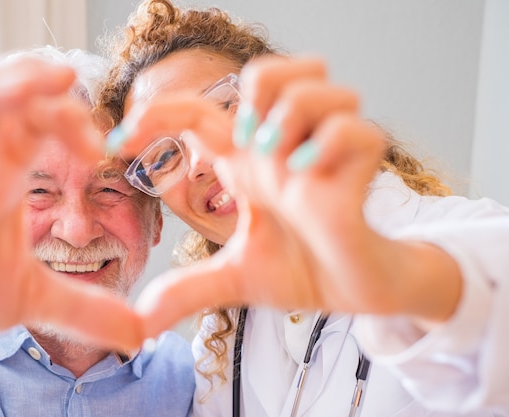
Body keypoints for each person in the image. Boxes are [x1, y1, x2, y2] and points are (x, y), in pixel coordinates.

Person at [98, 0, 509, 415]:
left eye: (221, 109)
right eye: (163, 157)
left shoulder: (444, 234)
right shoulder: (221, 342)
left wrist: (392, 274)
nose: (201, 161)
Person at [0, 46, 195, 417]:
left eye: (109, 190)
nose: (77, 231)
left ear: (154, 219)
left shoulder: (186, 379)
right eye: (38, 192)